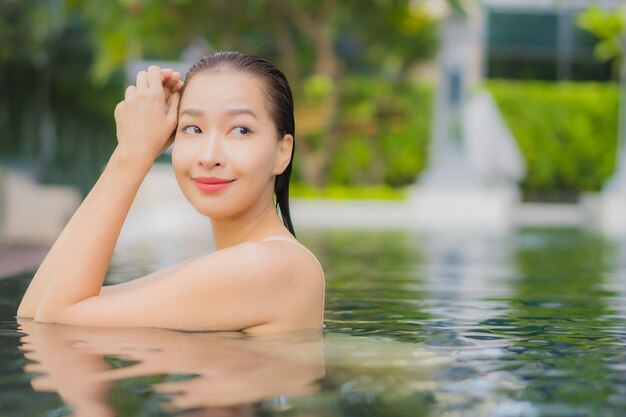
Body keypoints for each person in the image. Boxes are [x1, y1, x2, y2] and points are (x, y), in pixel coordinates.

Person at [17, 51, 325, 334]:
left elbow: (54, 322)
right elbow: (34, 310)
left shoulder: (270, 266)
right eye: (193, 128)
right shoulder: (237, 265)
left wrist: (133, 155)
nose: (209, 155)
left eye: (240, 129)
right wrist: (133, 150)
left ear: (282, 153)